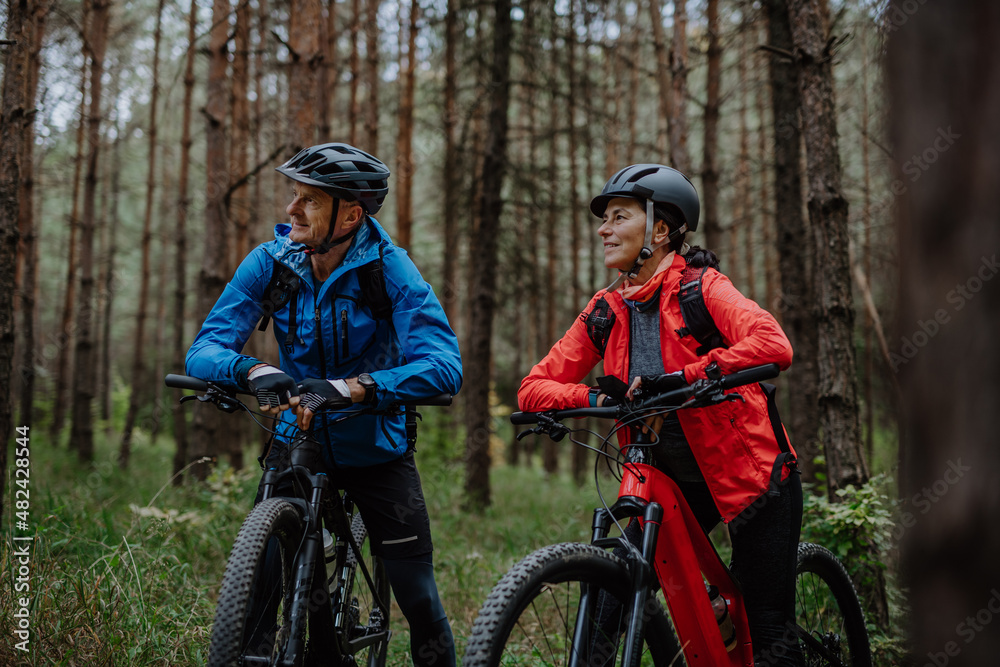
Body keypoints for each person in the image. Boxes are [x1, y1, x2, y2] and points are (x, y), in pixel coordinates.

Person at [186, 142, 461, 666]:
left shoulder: (391, 270)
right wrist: (254, 369)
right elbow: (204, 350)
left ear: (351, 214)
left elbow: (444, 366)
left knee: (417, 593)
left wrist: (357, 387)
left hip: (376, 449)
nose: (291, 210)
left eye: (309, 200)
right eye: (294, 196)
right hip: (296, 439)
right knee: (259, 582)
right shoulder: (272, 263)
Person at [518, 163, 804, 666]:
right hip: (669, 482)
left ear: (660, 229)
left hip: (753, 477)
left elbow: (772, 344)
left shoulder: (702, 289)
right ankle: (708, 610)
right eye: (603, 219)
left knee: (769, 633)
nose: (604, 230)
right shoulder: (606, 310)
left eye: (618, 216)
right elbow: (533, 388)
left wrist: (689, 375)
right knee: (608, 603)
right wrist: (601, 401)